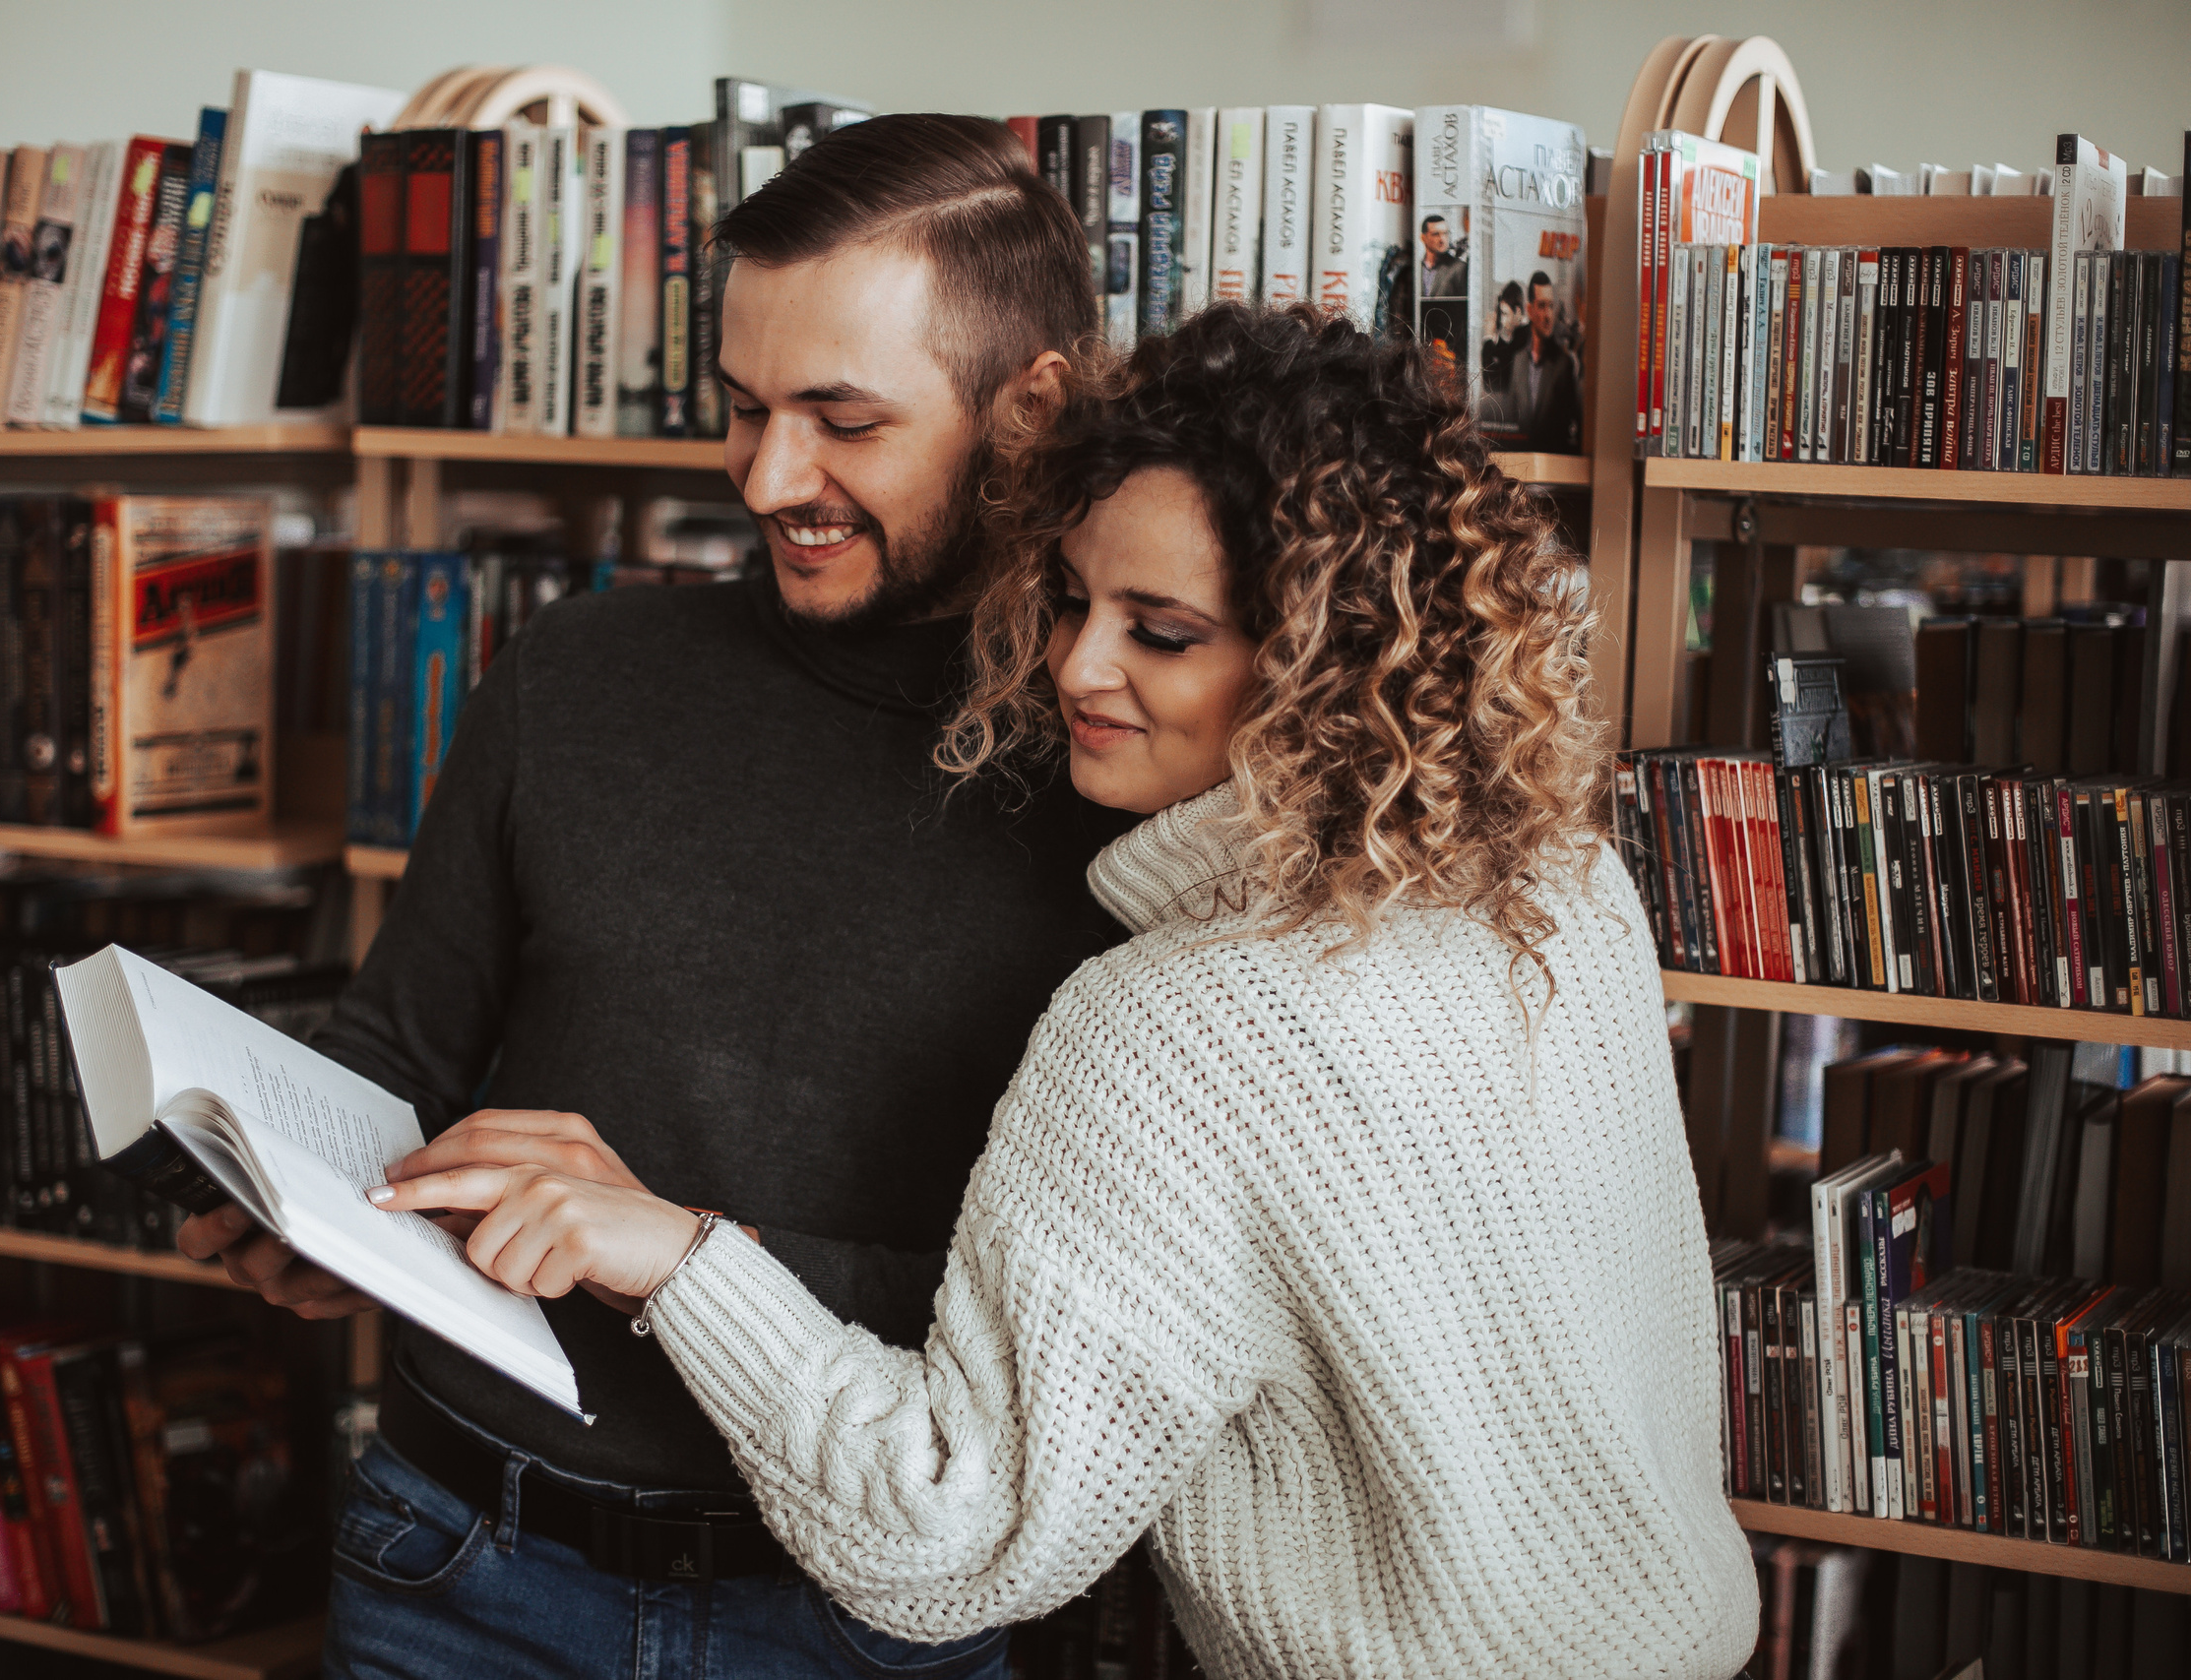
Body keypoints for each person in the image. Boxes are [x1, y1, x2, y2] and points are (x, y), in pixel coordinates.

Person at [373, 302, 1761, 1680]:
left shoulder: (1182, 1020)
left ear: (1323, 659)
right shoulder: (1568, 884)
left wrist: (677, 1259)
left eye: (1159, 630)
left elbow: (950, 1540)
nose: (1077, 666)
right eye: (1074, 601)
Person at [178, 114, 1128, 1680]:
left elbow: (1051, 1330)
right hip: (456, 1560)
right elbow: (396, 1046)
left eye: (842, 418)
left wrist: (684, 1249)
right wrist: (304, 1190)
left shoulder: (1113, 776)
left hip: (858, 1613)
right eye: (745, 408)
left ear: (1028, 414)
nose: (769, 476)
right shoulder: (583, 671)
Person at [1492, 269, 1584, 453]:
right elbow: (1509, 416)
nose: (1548, 315)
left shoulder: (1564, 363)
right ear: (1530, 310)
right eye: (1542, 306)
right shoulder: (1518, 361)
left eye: (1551, 306)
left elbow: (1575, 425)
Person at [1417, 210, 1468, 297]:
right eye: (1436, 234)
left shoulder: (1459, 268)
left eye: (1445, 233)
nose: (1442, 239)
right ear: (1423, 238)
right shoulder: (1416, 268)